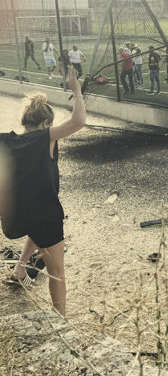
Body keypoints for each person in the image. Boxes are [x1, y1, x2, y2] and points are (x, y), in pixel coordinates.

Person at [1, 65, 86, 317]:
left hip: (15, 216)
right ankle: (61, 321)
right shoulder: (45, 138)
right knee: (57, 273)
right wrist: (77, 91)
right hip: (44, 214)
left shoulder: (6, 140)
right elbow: (79, 121)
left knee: (35, 226)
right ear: (46, 123)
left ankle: (21, 268)